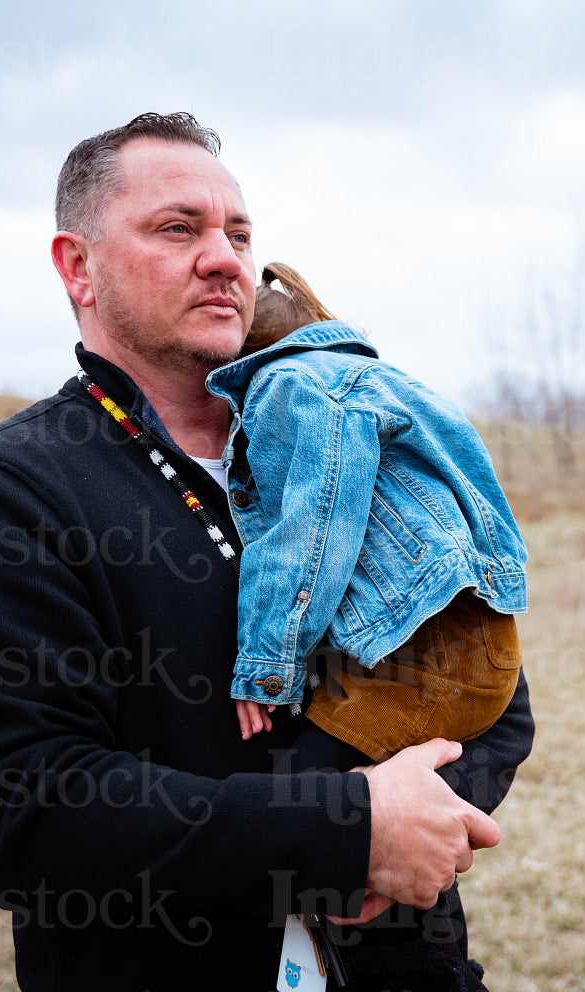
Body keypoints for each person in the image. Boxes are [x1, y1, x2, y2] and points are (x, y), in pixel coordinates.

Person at [0, 112, 533, 992]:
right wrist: (349, 832)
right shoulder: (7, 494)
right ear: (76, 266)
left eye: (239, 234)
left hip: (409, 972)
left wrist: (427, 815)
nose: (224, 257)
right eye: (178, 228)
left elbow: (489, 677)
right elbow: (20, 810)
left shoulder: (337, 444)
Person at [213, 263, 526, 779]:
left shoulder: (283, 383)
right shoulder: (391, 381)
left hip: (428, 661)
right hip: (483, 645)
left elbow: (312, 527)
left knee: (298, 796)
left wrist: (267, 668)